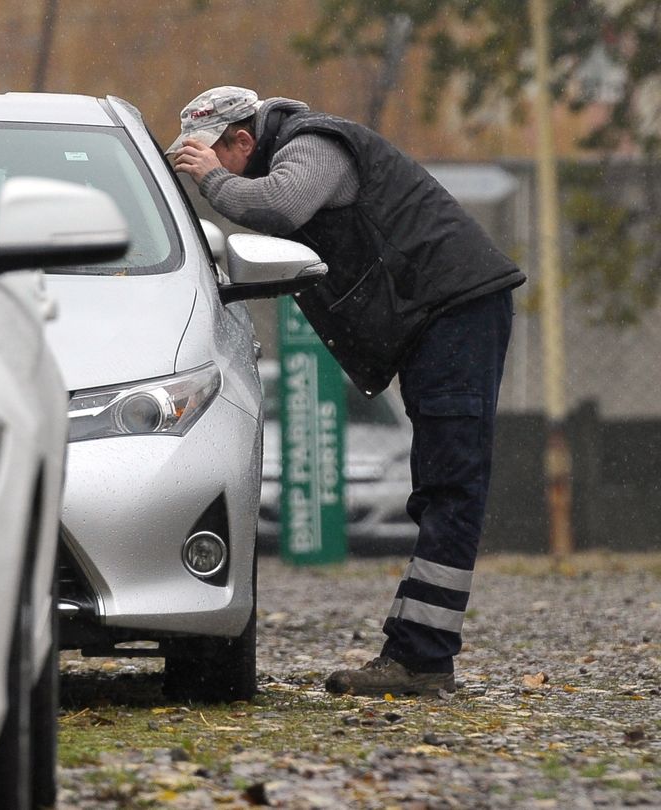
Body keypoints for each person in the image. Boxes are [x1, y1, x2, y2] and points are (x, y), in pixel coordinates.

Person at [168, 86, 525, 696]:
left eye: (212, 159)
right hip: (436, 315)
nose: (211, 177)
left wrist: (215, 184)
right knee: (442, 486)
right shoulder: (294, 147)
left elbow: (281, 205)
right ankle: (420, 652)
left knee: (451, 486)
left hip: (453, 311)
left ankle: (421, 660)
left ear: (244, 141)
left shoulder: (315, 147)